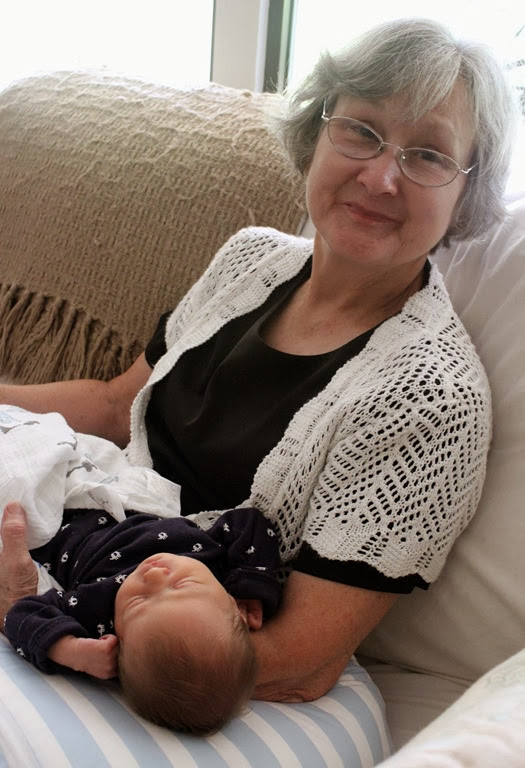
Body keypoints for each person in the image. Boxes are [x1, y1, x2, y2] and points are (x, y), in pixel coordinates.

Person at [0, 18, 519, 704]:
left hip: (187, 676)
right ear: (315, 135)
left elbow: (302, 662)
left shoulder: (430, 400)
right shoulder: (252, 260)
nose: (379, 176)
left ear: (465, 196)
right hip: (75, 553)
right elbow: (113, 406)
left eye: (427, 155)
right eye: (361, 130)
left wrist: (35, 622)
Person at [2, 501, 282, 734]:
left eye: (139, 600)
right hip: (123, 495)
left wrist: (72, 651)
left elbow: (19, 615)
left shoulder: (97, 614)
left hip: (61, 518)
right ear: (233, 605)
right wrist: (251, 588)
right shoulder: (216, 562)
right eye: (182, 585)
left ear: (119, 641)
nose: (154, 574)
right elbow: (251, 522)